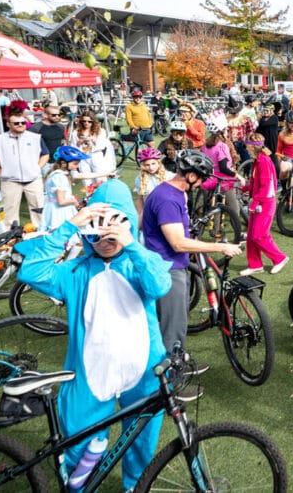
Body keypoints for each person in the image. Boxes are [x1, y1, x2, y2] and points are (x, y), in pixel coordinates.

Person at [15, 182, 172, 491]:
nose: (103, 241)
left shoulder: (140, 262)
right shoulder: (74, 272)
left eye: (112, 231)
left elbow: (159, 285)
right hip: (91, 374)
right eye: (94, 233)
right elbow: (30, 270)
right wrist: (70, 226)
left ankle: (135, 486)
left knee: (140, 441)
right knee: (81, 445)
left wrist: (132, 245)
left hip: (144, 372)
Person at [142, 150, 242, 373]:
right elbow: (178, 243)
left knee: (171, 322)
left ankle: (171, 367)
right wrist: (220, 246)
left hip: (171, 265)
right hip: (167, 269)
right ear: (191, 175)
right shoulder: (168, 199)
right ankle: (173, 377)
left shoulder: (175, 193)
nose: (202, 184)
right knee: (173, 327)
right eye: (201, 179)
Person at [0, 111, 49, 227]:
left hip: (33, 179)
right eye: (16, 123)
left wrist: (37, 168)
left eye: (23, 122)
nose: (20, 125)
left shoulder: (35, 137)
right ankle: (12, 234)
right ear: (8, 124)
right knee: (9, 211)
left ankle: (40, 231)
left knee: (39, 209)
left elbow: (45, 154)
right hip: (10, 181)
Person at [239, 133, 289, 276]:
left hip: (265, 204)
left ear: (253, 147)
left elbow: (266, 187)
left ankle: (279, 258)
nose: (246, 149)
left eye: (248, 146)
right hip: (261, 202)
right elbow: (257, 183)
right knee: (251, 236)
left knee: (259, 235)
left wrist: (254, 202)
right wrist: (244, 189)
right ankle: (255, 265)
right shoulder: (258, 160)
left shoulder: (263, 162)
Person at [40, 145, 89, 232]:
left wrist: (106, 173)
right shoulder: (60, 177)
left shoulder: (59, 173)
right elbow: (61, 201)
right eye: (75, 164)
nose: (77, 167)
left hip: (53, 209)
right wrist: (74, 201)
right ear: (64, 163)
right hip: (59, 213)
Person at [134, 147, 173, 222]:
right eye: (147, 165)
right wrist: (139, 216)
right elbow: (140, 199)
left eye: (153, 163)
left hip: (167, 213)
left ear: (158, 163)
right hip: (149, 213)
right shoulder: (139, 179)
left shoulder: (170, 176)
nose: (151, 168)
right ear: (142, 165)